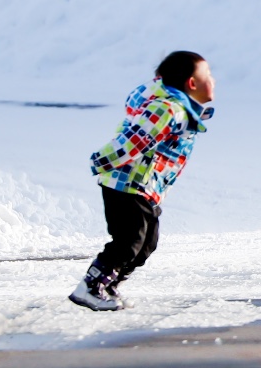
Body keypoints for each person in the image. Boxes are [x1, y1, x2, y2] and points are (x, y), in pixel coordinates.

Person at [70, 50, 217, 312]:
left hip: (146, 187)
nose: (213, 80)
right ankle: (90, 287)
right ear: (192, 84)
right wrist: (101, 161)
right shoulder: (167, 108)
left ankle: (109, 283)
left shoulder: (181, 109)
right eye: (208, 75)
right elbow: (132, 142)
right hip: (126, 183)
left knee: (147, 244)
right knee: (129, 241)